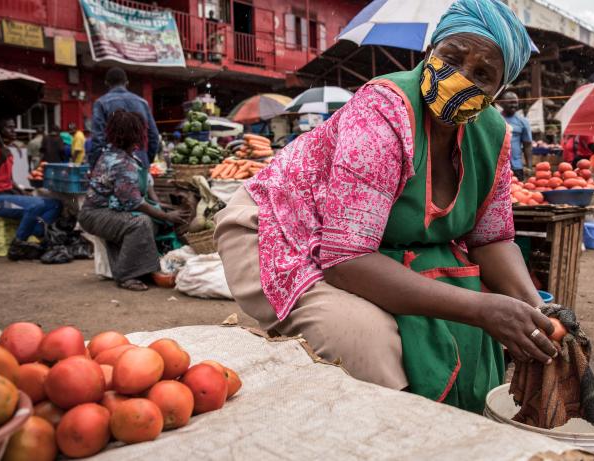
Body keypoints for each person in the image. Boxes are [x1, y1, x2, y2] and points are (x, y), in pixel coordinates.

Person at [214, 0, 558, 413]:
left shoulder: (492, 135)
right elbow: (347, 260)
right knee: (366, 342)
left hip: (378, 248)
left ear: (498, 91)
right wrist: (482, 308)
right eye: (452, 56)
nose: (460, 77)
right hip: (284, 231)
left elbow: (491, 239)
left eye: (482, 74)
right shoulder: (384, 109)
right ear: (430, 51)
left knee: (472, 327)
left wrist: (541, 312)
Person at [79, 111, 187, 291]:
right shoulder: (120, 162)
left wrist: (162, 207)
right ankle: (126, 275)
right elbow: (134, 203)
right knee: (140, 223)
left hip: (110, 211)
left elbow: (145, 185)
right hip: (94, 214)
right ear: (136, 134)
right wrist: (168, 216)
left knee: (151, 221)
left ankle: (140, 268)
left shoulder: (125, 156)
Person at [0, 119, 61, 253]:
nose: (14, 131)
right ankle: (19, 242)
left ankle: (38, 232)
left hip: (6, 196)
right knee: (35, 205)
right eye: (9, 128)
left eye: (14, 128)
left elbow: (9, 181)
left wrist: (21, 192)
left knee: (55, 204)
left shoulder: (7, 151)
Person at [89, 67, 159, 168]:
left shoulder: (101, 103)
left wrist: (94, 166)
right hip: (140, 162)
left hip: (113, 165)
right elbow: (154, 136)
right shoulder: (143, 103)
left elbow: (98, 139)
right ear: (127, 83)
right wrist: (146, 160)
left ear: (106, 83)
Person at [499, 91, 532, 181]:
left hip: (516, 166)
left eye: (515, 102)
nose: (514, 105)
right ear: (502, 103)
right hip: (497, 167)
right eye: (510, 102)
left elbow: (527, 145)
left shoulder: (523, 122)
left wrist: (529, 166)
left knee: (518, 192)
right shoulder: (496, 119)